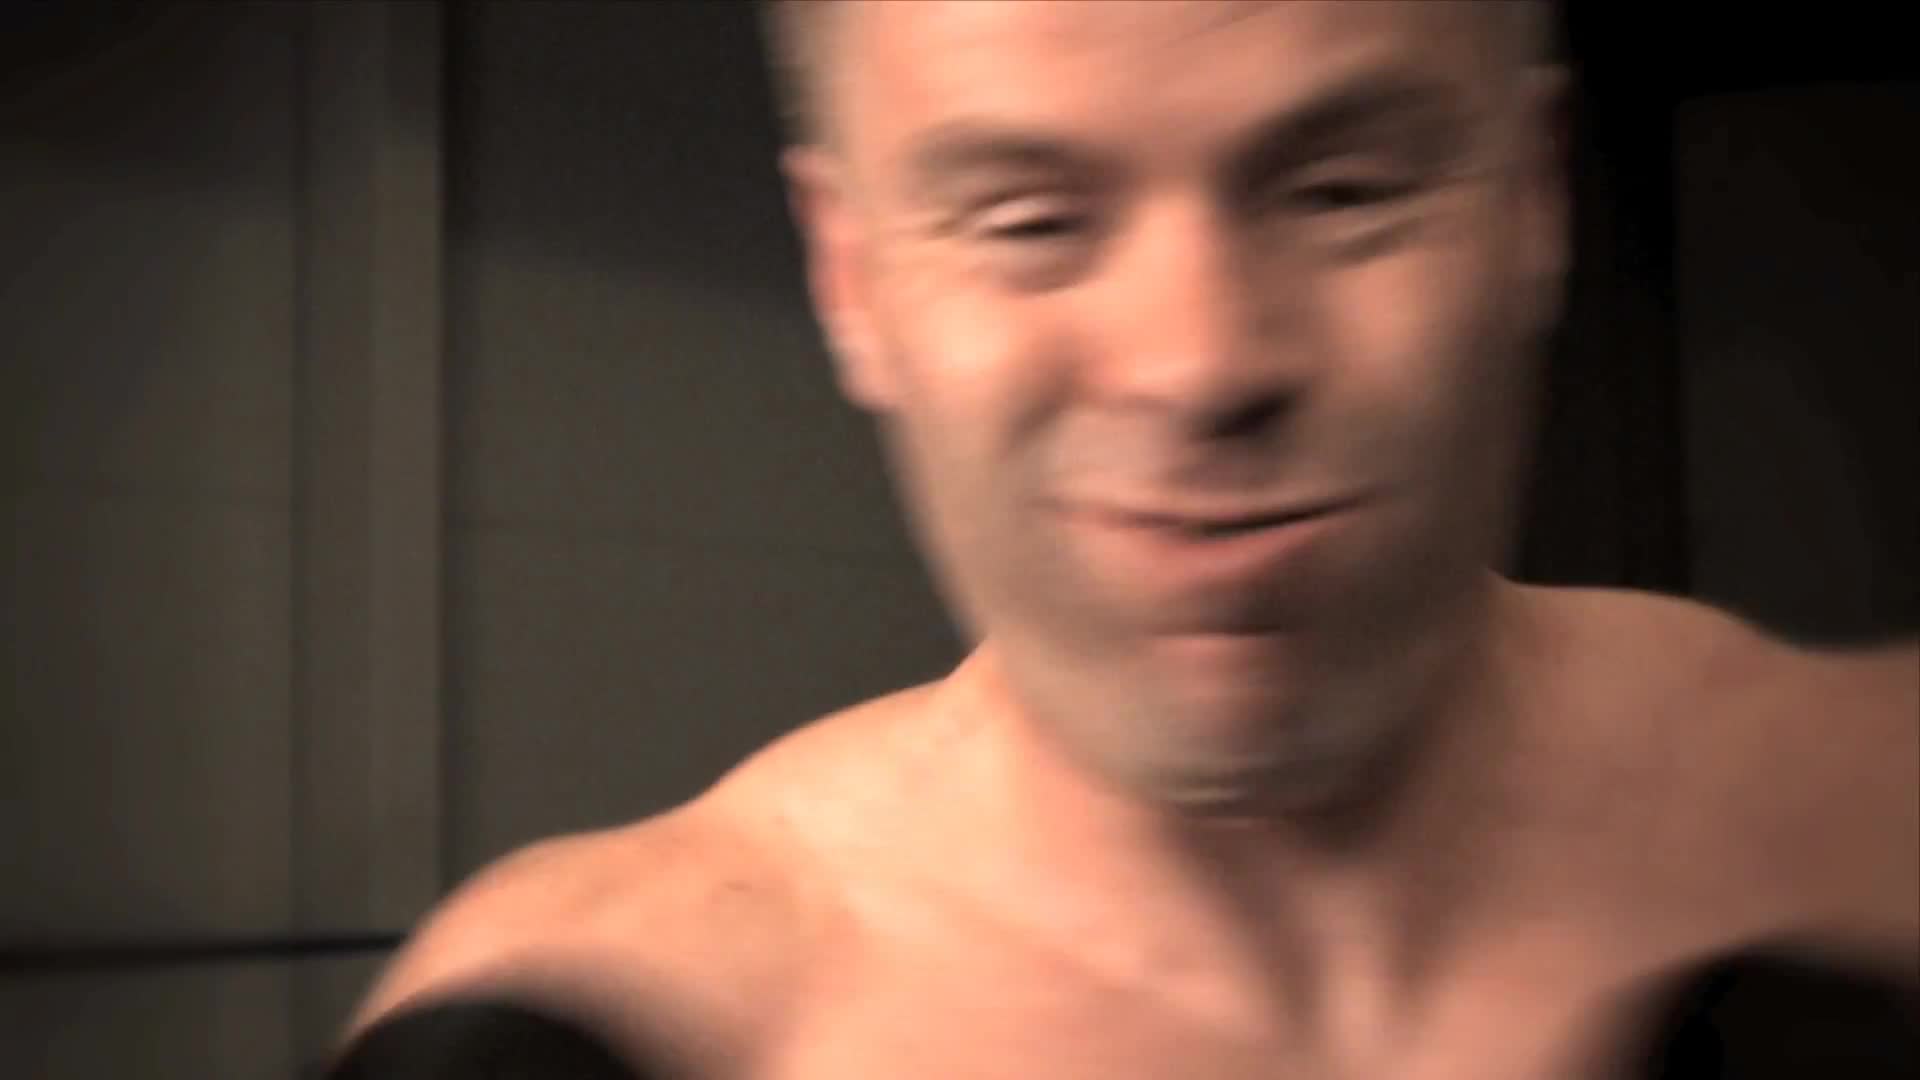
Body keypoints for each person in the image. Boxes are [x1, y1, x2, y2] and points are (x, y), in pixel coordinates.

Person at [337, 2, 1918, 1076]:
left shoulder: (1872, 826)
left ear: (1532, 201)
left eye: (1342, 191)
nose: (1200, 362)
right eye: (1031, 222)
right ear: (850, 277)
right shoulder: (617, 1028)